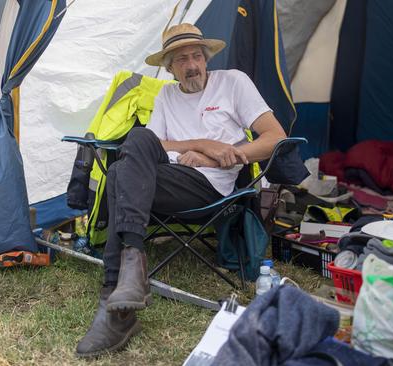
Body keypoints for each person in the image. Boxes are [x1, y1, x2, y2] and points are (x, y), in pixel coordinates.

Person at [75, 23, 286, 358]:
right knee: (133, 148)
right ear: (169, 67)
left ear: (206, 58)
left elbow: (275, 137)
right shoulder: (166, 95)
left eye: (197, 56)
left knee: (117, 174)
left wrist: (221, 158)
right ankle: (126, 278)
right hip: (171, 178)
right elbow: (153, 145)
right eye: (182, 59)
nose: (192, 65)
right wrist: (203, 144)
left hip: (212, 189)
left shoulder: (233, 82)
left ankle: (116, 297)